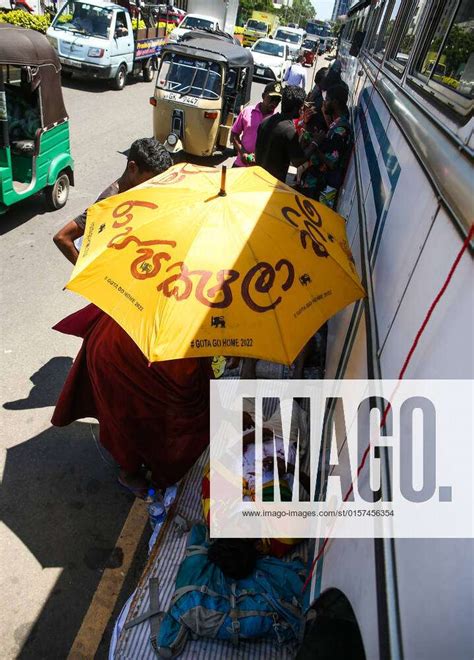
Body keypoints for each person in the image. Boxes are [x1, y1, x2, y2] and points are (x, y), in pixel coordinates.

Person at [53, 138, 172, 265]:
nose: (154, 186)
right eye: (150, 180)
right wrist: (86, 274)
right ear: (132, 168)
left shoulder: (135, 189)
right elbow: (62, 238)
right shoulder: (108, 202)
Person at [298, 84, 352, 207]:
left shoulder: (341, 130)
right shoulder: (337, 124)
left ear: (335, 102)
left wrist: (315, 144)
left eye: (327, 100)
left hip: (324, 189)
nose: (324, 103)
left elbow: (332, 162)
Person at [255, 85, 310, 184]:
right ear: (296, 108)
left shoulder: (266, 121)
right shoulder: (289, 130)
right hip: (272, 185)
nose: (303, 109)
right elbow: (297, 161)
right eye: (302, 106)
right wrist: (315, 143)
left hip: (257, 178)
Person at [231, 81, 282, 167]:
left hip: (261, 170)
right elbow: (234, 135)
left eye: (277, 100)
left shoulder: (277, 120)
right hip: (240, 165)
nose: (274, 102)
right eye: (271, 98)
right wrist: (243, 153)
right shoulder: (247, 111)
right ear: (263, 96)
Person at [306, 66, 329, 131]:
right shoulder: (318, 89)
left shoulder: (331, 97)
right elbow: (310, 100)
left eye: (320, 85)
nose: (319, 87)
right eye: (317, 85)